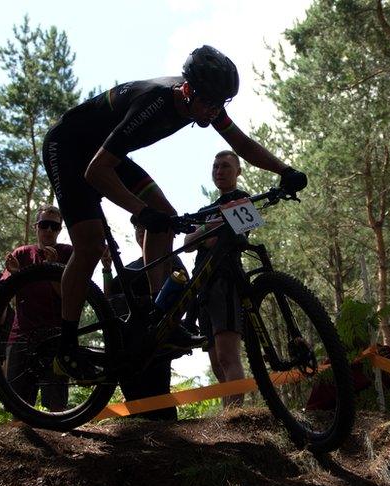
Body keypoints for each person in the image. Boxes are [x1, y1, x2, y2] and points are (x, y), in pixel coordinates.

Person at [42, 44, 307, 378]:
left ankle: (159, 315)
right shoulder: (155, 102)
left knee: (164, 217)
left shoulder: (202, 104)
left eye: (219, 105)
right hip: (69, 148)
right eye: (209, 103)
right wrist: (138, 210)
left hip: (105, 153)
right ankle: (65, 345)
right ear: (188, 89)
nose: (213, 112)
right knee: (90, 244)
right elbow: (95, 172)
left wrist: (285, 170)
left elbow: (242, 144)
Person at [182, 151, 249, 406]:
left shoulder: (241, 199)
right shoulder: (205, 210)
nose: (219, 171)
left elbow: (238, 228)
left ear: (238, 171)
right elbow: (188, 243)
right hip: (203, 286)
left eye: (225, 166)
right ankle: (228, 412)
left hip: (227, 279)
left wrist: (204, 233)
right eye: (215, 166)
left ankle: (236, 415)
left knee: (227, 354)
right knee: (215, 359)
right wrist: (209, 229)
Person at [101, 222, 186, 420]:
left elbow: (182, 292)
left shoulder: (170, 260)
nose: (142, 232)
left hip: (157, 335)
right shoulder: (131, 268)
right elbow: (108, 299)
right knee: (133, 386)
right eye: (138, 229)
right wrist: (107, 269)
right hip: (129, 338)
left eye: (144, 228)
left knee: (158, 385)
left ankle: (165, 422)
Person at [0, 205, 73, 412]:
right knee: (17, 403)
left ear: (60, 229)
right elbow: (4, 293)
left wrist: (53, 269)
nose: (49, 230)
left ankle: (59, 441)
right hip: (21, 335)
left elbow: (69, 296)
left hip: (56, 336)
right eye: (44, 225)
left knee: (56, 402)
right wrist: (15, 274)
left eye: (54, 226)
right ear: (36, 227)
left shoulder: (68, 253)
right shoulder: (22, 254)